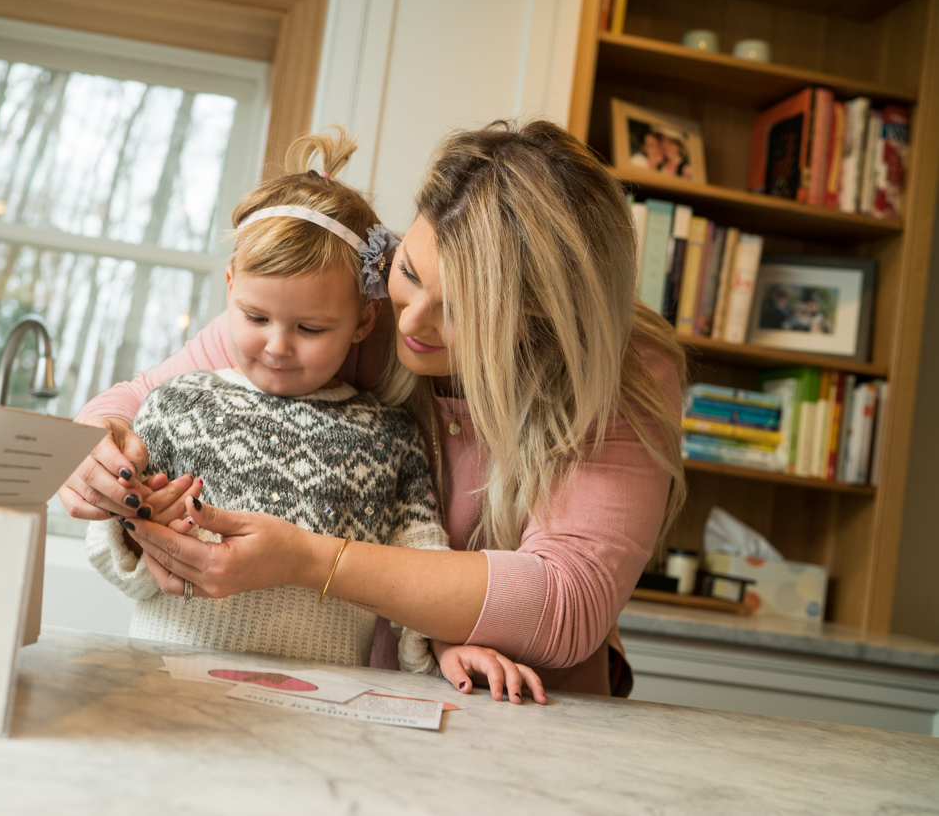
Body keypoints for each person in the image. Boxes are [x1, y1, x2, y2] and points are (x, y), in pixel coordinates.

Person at [61, 119, 685, 704]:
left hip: (531, 706)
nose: (410, 323)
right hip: (380, 692)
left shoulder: (624, 374)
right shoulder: (350, 310)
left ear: (544, 321)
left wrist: (311, 559)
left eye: (463, 309)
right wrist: (96, 443)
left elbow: (567, 603)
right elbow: (143, 395)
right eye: (410, 271)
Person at [84, 129, 452, 675]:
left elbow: (423, 567)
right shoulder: (176, 406)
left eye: (310, 327)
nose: (277, 345)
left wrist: (446, 648)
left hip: (321, 704)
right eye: (256, 318)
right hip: (166, 689)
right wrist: (135, 535)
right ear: (230, 287)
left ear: (363, 321)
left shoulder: (389, 438)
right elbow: (110, 550)